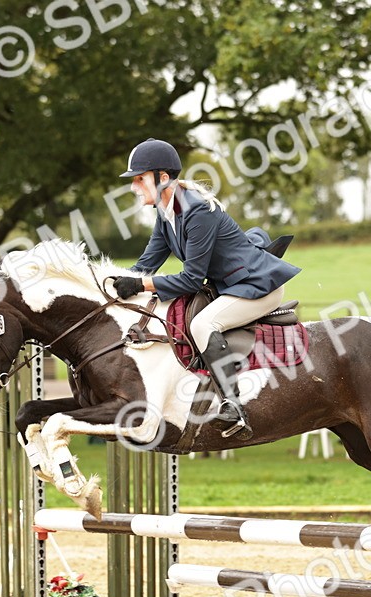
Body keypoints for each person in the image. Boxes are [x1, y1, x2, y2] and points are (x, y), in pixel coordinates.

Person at [111, 139, 300, 438]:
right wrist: (111, 285)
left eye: (139, 179)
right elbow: (146, 264)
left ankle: (233, 406)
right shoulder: (166, 211)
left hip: (257, 286)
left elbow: (190, 279)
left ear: (163, 178)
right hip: (232, 287)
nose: (134, 187)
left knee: (202, 324)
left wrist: (142, 284)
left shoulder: (197, 212)